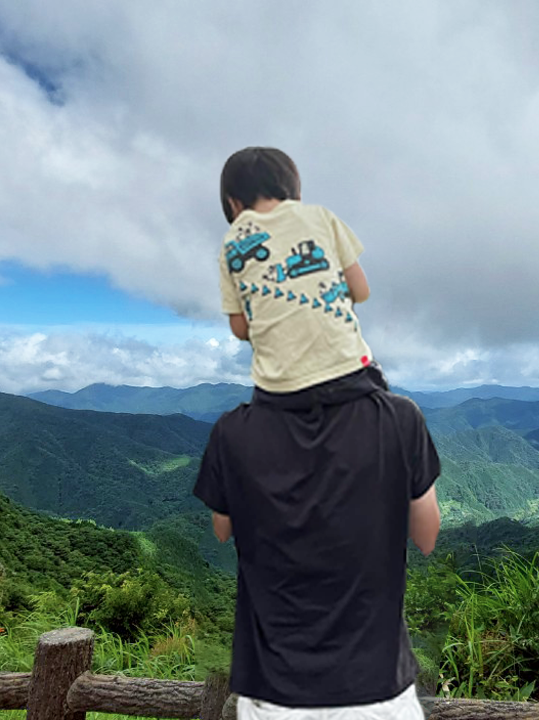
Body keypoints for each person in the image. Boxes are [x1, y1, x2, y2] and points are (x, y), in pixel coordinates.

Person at [194, 147, 443, 719]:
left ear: (232, 202)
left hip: (273, 699)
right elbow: (427, 537)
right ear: (293, 190)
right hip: (380, 697)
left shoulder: (233, 433)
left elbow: (222, 530)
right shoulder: (399, 419)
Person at [216, 146, 374, 394]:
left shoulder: (231, 244)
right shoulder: (321, 217)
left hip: (280, 388)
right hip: (349, 371)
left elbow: (239, 328)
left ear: (233, 204)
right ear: (294, 193)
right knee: (398, 409)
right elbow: (361, 291)